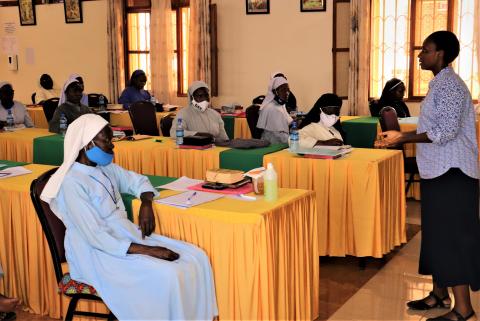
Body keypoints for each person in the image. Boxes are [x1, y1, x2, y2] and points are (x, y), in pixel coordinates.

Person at [40, 114, 218, 320]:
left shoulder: (105, 168)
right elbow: (95, 235)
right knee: (169, 275)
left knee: (196, 257)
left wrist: (146, 203)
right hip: (94, 253)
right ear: (87, 144)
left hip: (123, 235)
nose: (112, 146)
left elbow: (139, 181)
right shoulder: (71, 183)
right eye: (106, 141)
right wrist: (149, 250)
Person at [376, 31, 480, 321]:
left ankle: (463, 309)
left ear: (441, 54)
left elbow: (444, 132)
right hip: (440, 172)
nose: (420, 55)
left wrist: (402, 137)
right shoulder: (439, 84)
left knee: (453, 238)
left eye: (427, 50)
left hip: (453, 173)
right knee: (437, 236)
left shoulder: (450, 86)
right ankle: (440, 294)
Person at [256, 76, 293, 144]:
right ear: (275, 92)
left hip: (278, 142)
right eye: (283, 90)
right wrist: (298, 140)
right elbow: (281, 137)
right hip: (273, 145)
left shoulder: (279, 105)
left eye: (288, 90)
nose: (287, 93)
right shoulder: (272, 109)